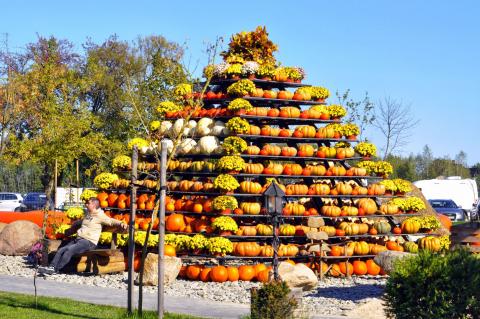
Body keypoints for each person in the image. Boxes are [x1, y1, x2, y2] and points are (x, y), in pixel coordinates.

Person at [38, 197, 128, 274]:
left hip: (88, 242)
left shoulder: (100, 215)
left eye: (88, 203)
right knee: (61, 249)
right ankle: (51, 267)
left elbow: (111, 221)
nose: (86, 204)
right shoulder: (88, 214)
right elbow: (80, 223)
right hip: (79, 239)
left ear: (94, 205)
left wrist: (121, 223)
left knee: (69, 250)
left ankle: (56, 270)